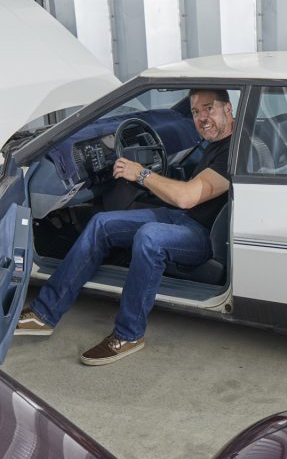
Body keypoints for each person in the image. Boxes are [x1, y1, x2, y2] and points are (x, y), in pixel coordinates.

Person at [15, 88, 234, 366]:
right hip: (183, 217)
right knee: (101, 223)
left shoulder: (231, 150)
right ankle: (43, 314)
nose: (202, 118)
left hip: (203, 234)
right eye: (195, 112)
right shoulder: (217, 139)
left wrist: (140, 173)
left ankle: (128, 334)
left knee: (149, 237)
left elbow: (185, 196)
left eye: (209, 108)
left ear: (228, 109)